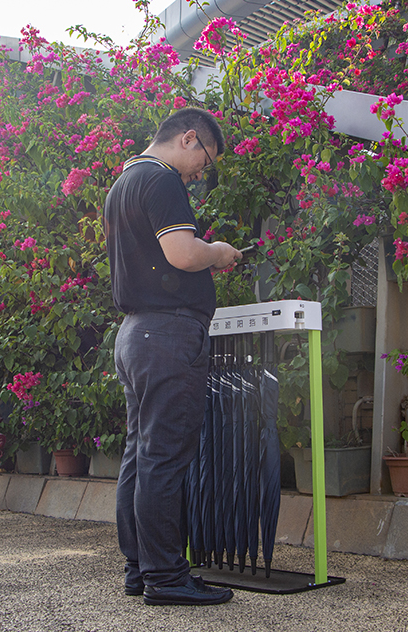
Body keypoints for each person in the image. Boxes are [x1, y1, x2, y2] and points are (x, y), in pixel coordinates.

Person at [103, 107, 241, 606]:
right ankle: (165, 577)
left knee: (140, 456)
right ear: (188, 139)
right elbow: (183, 253)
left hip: (135, 334)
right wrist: (219, 251)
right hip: (167, 334)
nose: (201, 171)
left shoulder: (123, 182)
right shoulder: (162, 180)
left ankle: (140, 569)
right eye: (205, 159)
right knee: (162, 458)